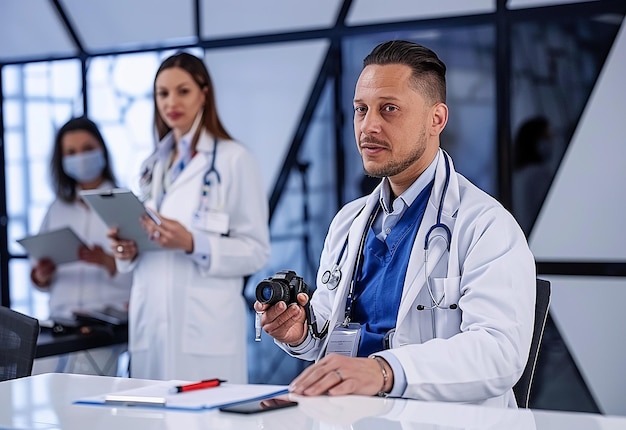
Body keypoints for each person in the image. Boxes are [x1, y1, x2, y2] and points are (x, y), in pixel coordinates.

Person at [255, 40, 536, 407]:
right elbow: (327, 334)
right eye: (361, 109)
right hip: (352, 414)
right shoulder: (349, 222)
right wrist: (300, 332)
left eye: (389, 109)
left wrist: (383, 371)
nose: (368, 126)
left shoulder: (485, 225)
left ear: (436, 119)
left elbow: (500, 353)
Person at [109, 52, 270, 383]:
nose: (171, 102)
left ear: (204, 93)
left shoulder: (234, 160)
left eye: (182, 91)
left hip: (204, 331)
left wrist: (193, 243)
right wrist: (128, 250)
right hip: (150, 326)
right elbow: (148, 239)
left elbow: (256, 251)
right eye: (162, 93)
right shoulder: (151, 166)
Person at [30, 116, 132, 376]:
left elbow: (144, 272)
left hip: (107, 324)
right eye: (71, 152)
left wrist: (107, 261)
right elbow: (38, 276)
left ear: (102, 150)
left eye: (87, 149)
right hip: (61, 324)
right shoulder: (56, 209)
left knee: (87, 397)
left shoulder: (124, 205)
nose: (80, 157)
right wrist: (41, 276)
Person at [512, 116, 554, 236]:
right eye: (547, 138)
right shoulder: (539, 174)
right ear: (534, 141)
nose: (551, 143)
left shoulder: (520, 173)